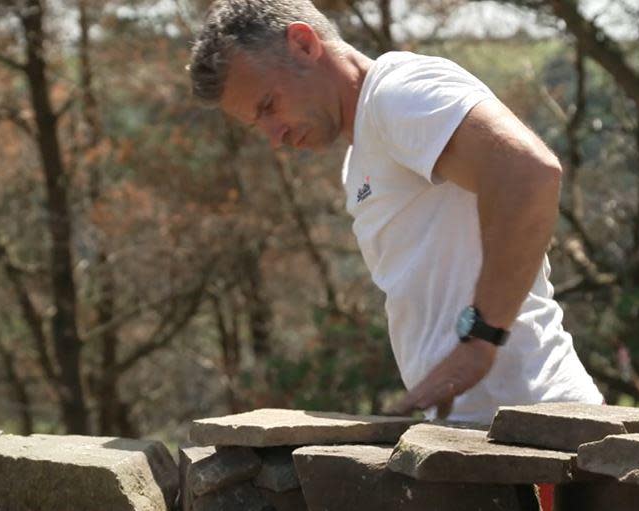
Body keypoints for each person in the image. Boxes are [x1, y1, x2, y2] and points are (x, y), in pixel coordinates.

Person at [187, 0, 604, 425]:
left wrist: (481, 340)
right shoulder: (360, 158)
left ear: (303, 44)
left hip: (537, 428)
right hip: (489, 430)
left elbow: (529, 173)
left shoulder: (396, 93)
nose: (274, 137)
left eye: (269, 105)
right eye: (257, 125)